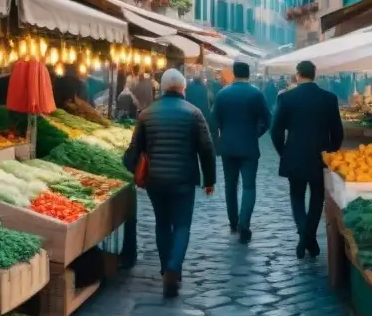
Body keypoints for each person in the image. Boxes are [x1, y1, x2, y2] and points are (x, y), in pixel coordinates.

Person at [124, 69, 216, 298]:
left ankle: (166, 267)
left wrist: (129, 168)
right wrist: (209, 179)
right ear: (183, 88)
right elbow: (207, 149)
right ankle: (174, 267)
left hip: (156, 180)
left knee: (162, 224)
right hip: (184, 179)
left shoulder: (146, 113)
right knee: (182, 225)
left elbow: (135, 149)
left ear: (163, 88)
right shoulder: (194, 113)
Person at [271, 61, 343, 258]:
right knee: (317, 197)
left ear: (297, 75)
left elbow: (276, 130)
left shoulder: (286, 98)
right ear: (315, 74)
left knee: (296, 196)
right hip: (320, 155)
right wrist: (331, 152)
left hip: (294, 153)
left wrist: (282, 151)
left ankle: (304, 236)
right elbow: (337, 132)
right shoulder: (329, 98)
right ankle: (308, 237)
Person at [212, 62, 271, 242]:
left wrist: (222, 136)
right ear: (249, 74)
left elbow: (214, 121)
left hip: (228, 146)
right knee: (249, 186)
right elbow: (267, 119)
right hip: (249, 145)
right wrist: (256, 133)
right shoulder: (256, 94)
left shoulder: (222, 94)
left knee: (230, 186)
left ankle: (233, 221)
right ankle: (244, 223)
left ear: (233, 74)